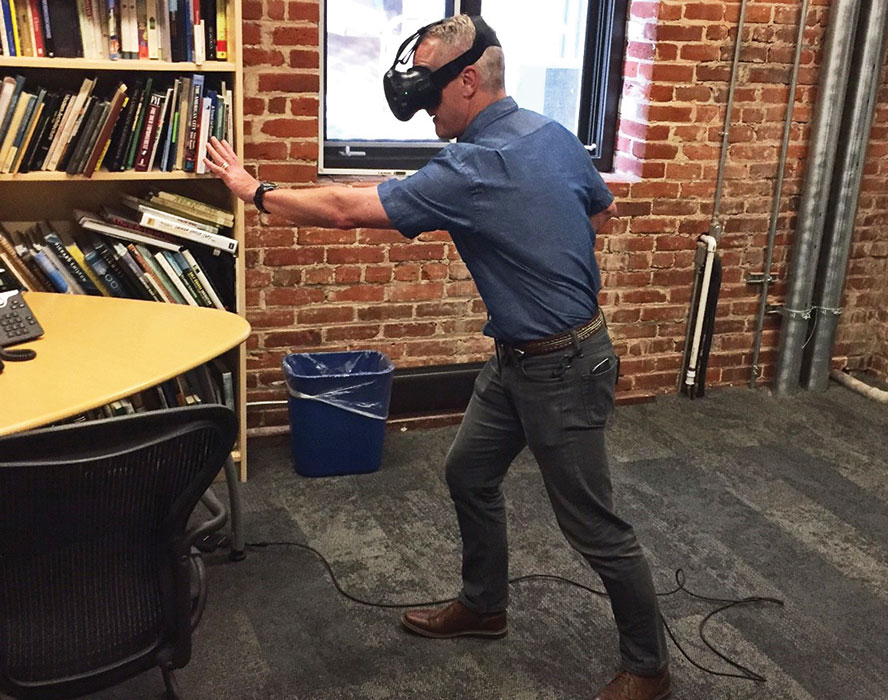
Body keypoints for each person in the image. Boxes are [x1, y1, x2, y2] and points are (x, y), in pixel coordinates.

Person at [204, 14, 671, 700]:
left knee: (594, 525)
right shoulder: (551, 134)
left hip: (563, 367)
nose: (422, 106)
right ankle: (484, 606)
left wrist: (254, 191)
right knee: (469, 474)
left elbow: (342, 209)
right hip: (519, 357)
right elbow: (601, 215)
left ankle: (648, 668)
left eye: (429, 92)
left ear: (469, 80)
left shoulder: (476, 166)